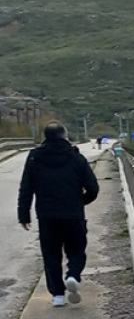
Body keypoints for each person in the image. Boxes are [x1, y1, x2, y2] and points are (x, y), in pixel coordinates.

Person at [17, 121, 100, 308]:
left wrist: (24, 215)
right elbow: (93, 188)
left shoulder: (34, 158)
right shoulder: (76, 157)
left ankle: (58, 295)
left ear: (45, 137)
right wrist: (80, 201)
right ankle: (73, 275)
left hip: (47, 216)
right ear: (64, 136)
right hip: (73, 214)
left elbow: (26, 188)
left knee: (51, 255)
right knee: (77, 250)